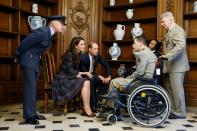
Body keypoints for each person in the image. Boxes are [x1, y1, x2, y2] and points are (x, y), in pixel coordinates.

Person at [15, 15, 66, 125]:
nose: (63, 26)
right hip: (29, 61)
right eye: (62, 24)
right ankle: (29, 117)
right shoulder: (43, 32)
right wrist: (18, 55)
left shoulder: (49, 34)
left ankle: (32, 113)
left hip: (34, 62)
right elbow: (24, 44)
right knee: (30, 88)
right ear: (54, 23)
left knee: (33, 88)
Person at [106, 35, 157, 119]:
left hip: (141, 82)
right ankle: (117, 107)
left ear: (140, 43)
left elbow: (139, 73)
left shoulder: (143, 54)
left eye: (134, 43)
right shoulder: (148, 52)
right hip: (146, 80)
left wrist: (128, 78)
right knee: (119, 81)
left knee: (114, 82)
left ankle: (111, 109)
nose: (132, 45)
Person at [52, 37, 96, 117]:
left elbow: (74, 71)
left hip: (68, 77)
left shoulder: (77, 55)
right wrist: (82, 73)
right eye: (82, 44)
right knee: (86, 82)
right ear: (76, 46)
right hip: (63, 80)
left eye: (84, 44)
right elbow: (70, 71)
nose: (84, 46)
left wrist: (81, 73)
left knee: (87, 82)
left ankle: (86, 107)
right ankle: (86, 108)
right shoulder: (69, 55)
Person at [160, 12, 190, 119]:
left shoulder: (177, 30)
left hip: (177, 66)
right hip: (170, 66)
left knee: (177, 89)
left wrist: (167, 56)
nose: (161, 24)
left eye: (163, 21)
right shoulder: (169, 31)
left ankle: (180, 112)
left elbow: (180, 46)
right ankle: (174, 110)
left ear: (170, 20)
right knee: (169, 89)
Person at [79, 42, 111, 112]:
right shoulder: (83, 57)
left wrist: (108, 76)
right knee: (92, 81)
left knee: (105, 82)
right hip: (83, 77)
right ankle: (93, 104)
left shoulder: (97, 55)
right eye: (95, 49)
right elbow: (86, 74)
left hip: (93, 76)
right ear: (90, 49)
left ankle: (101, 102)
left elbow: (106, 65)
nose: (97, 50)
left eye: (97, 49)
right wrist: (99, 76)